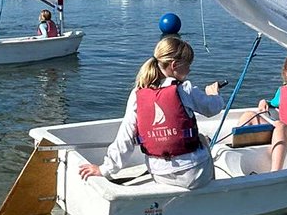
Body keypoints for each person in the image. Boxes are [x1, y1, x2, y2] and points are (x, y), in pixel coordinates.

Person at [79, 36, 224, 189]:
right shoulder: (185, 89)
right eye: (188, 64)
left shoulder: (137, 93)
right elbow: (212, 108)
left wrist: (105, 169)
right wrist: (214, 94)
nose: (190, 69)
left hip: (159, 174)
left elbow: (125, 137)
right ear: (174, 65)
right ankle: (209, 193)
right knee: (203, 139)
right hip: (193, 175)